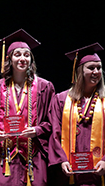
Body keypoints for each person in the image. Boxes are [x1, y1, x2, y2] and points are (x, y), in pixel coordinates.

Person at [0, 29, 55, 186]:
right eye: (17, 54)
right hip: (3, 158)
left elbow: (53, 122)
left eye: (26, 55)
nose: (22, 58)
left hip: (33, 156)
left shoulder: (45, 87)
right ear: (9, 59)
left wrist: (37, 130)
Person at [48, 42, 105, 186]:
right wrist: (62, 160)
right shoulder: (61, 99)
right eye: (91, 68)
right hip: (69, 174)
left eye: (99, 68)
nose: (96, 71)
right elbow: (55, 132)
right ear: (79, 71)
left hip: (99, 173)